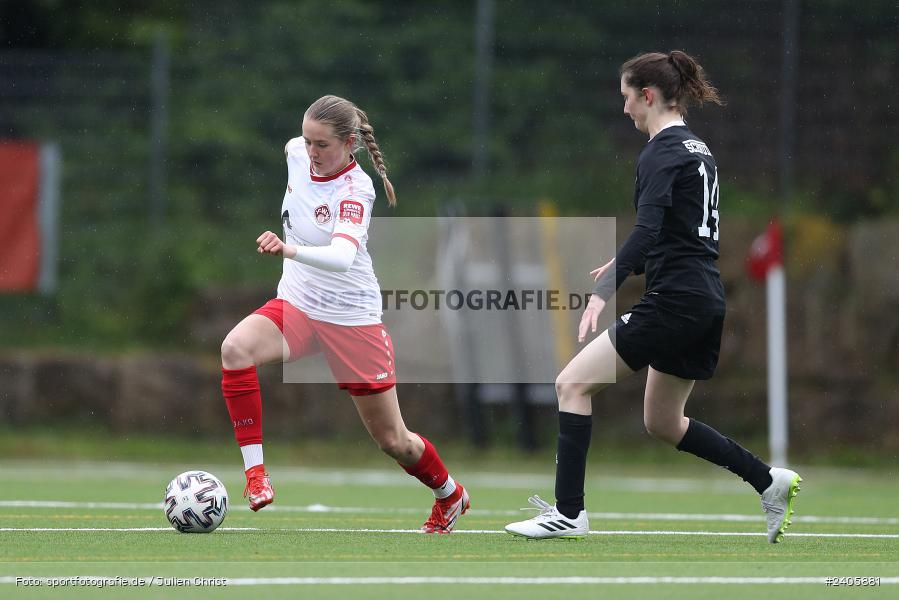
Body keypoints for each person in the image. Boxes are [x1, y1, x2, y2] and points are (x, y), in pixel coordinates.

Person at [505, 51, 801, 543]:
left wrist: (605, 289)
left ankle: (568, 512)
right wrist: (632, 264)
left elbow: (647, 229)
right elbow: (680, 234)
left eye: (627, 98)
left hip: (677, 299)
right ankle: (769, 480)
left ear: (648, 95)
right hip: (704, 297)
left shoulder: (661, 151)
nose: (625, 111)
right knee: (663, 421)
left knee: (571, 385)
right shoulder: (698, 149)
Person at [220, 94, 469, 533]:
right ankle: (256, 476)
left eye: (322, 145)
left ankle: (449, 494)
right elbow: (293, 153)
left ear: (350, 143)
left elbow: (340, 256)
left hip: (350, 317)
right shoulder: (297, 153)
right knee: (235, 349)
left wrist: (288, 247)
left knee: (394, 441)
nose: (312, 152)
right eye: (307, 140)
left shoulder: (357, 189)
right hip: (297, 304)